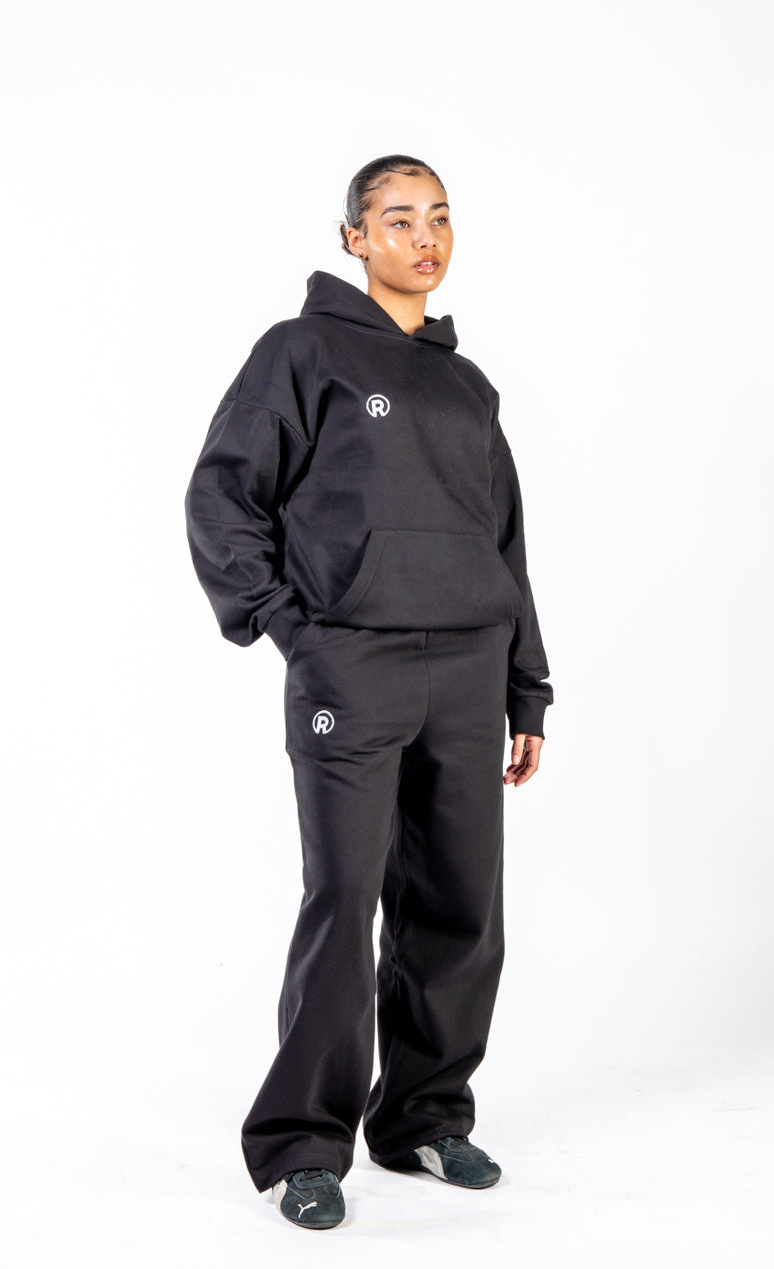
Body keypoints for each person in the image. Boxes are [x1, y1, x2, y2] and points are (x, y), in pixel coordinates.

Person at [184, 154, 553, 1231]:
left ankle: (423, 1117)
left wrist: (525, 687)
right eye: (397, 219)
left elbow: (504, 542)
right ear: (353, 238)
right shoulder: (300, 352)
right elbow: (222, 496)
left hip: (469, 670)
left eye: (438, 218)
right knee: (344, 901)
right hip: (352, 666)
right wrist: (290, 627)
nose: (422, 237)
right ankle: (302, 1143)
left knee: (459, 907)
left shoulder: (466, 384)